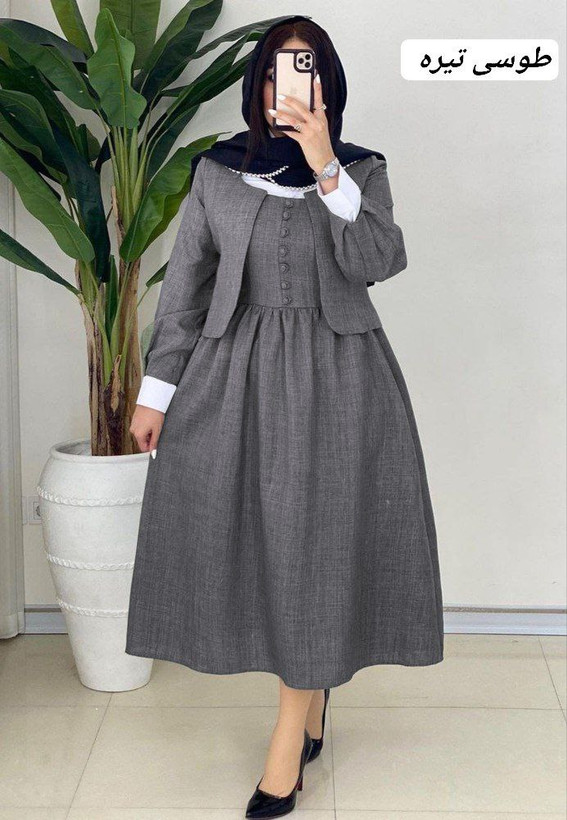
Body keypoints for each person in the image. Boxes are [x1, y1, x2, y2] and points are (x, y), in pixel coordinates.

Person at [126, 15, 444, 819]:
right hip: (232, 379)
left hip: (341, 379)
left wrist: (325, 163)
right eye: (273, 72)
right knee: (258, 546)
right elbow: (186, 290)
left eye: (302, 71)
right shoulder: (216, 172)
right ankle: (312, 699)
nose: (284, 88)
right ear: (255, 84)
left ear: (326, 84)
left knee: (316, 548)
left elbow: (378, 262)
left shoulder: (360, 170)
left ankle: (286, 743)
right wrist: (156, 394)